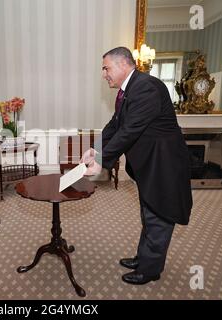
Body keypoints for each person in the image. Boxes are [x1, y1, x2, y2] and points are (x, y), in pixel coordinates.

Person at [81, 47, 193, 285]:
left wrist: (100, 161)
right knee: (148, 211)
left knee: (159, 215)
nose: (104, 74)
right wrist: (96, 148)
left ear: (124, 65)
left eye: (106, 68)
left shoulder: (146, 87)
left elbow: (130, 131)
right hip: (150, 164)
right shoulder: (129, 89)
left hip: (164, 165)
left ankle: (150, 269)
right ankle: (144, 258)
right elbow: (116, 124)